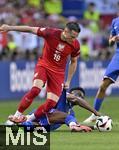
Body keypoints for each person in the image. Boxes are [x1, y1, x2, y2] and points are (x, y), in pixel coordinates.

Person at [0, 22, 81, 123]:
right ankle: (16, 116)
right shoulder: (50, 33)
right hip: (44, 65)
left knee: (51, 104)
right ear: (65, 31)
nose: (74, 40)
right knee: (35, 90)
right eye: (72, 36)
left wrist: (68, 81)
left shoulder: (75, 44)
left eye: (76, 37)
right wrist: (10, 27)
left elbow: (73, 62)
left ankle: (28, 119)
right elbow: (30, 29)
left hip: (58, 73)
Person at [84, 14, 119, 123]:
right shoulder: (115, 21)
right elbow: (110, 42)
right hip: (118, 56)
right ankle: (94, 114)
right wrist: (113, 39)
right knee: (103, 85)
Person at [18, 87, 100, 132]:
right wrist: (96, 112)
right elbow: (76, 99)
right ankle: (24, 121)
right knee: (69, 118)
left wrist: (96, 127)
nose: (80, 97)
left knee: (71, 119)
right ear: (71, 93)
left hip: (46, 126)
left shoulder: (71, 113)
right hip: (42, 114)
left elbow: (80, 125)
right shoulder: (63, 96)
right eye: (78, 94)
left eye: (82, 96)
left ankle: (24, 124)